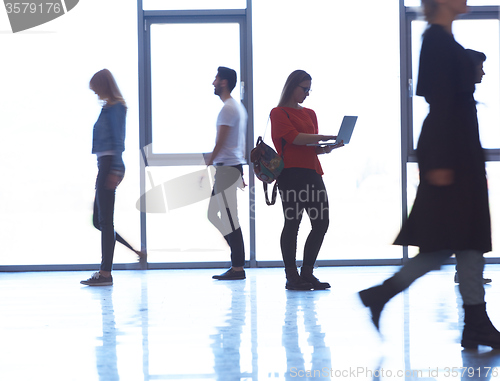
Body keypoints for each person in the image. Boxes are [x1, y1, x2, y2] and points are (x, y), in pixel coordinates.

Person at [359, 0, 500, 349]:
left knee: (463, 244)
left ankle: (475, 324)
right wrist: (435, 164)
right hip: (452, 163)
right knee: (452, 244)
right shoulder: (436, 41)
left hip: (460, 160)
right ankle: (472, 323)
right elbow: (439, 106)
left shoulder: (443, 41)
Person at [270, 70, 337, 291]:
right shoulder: (278, 113)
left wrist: (326, 148)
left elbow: (310, 147)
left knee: (321, 223)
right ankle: (292, 276)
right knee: (293, 223)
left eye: (309, 89)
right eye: (304, 89)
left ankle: (307, 273)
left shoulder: (310, 113)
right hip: (290, 175)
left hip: (312, 173)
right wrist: (324, 137)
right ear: (292, 87)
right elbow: (294, 138)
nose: (307, 94)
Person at [81, 69, 142, 286]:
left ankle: (105, 274)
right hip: (104, 165)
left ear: (104, 86)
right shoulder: (109, 107)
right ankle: (132, 250)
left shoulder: (116, 107)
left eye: (96, 89)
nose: (95, 93)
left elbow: (118, 139)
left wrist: (115, 169)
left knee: (105, 221)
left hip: (110, 165)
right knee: (100, 220)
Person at [206, 66, 248, 280]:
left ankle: (238, 266)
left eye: (216, 79)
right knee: (215, 214)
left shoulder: (228, 109)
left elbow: (220, 142)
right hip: (232, 167)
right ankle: (236, 257)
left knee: (230, 218)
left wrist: (209, 163)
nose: (213, 83)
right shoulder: (236, 107)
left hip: (226, 169)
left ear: (223, 82)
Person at [454, 48, 491, 284]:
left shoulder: (464, 97)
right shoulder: (459, 99)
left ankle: (468, 273)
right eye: (480, 67)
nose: (484, 72)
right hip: (462, 176)